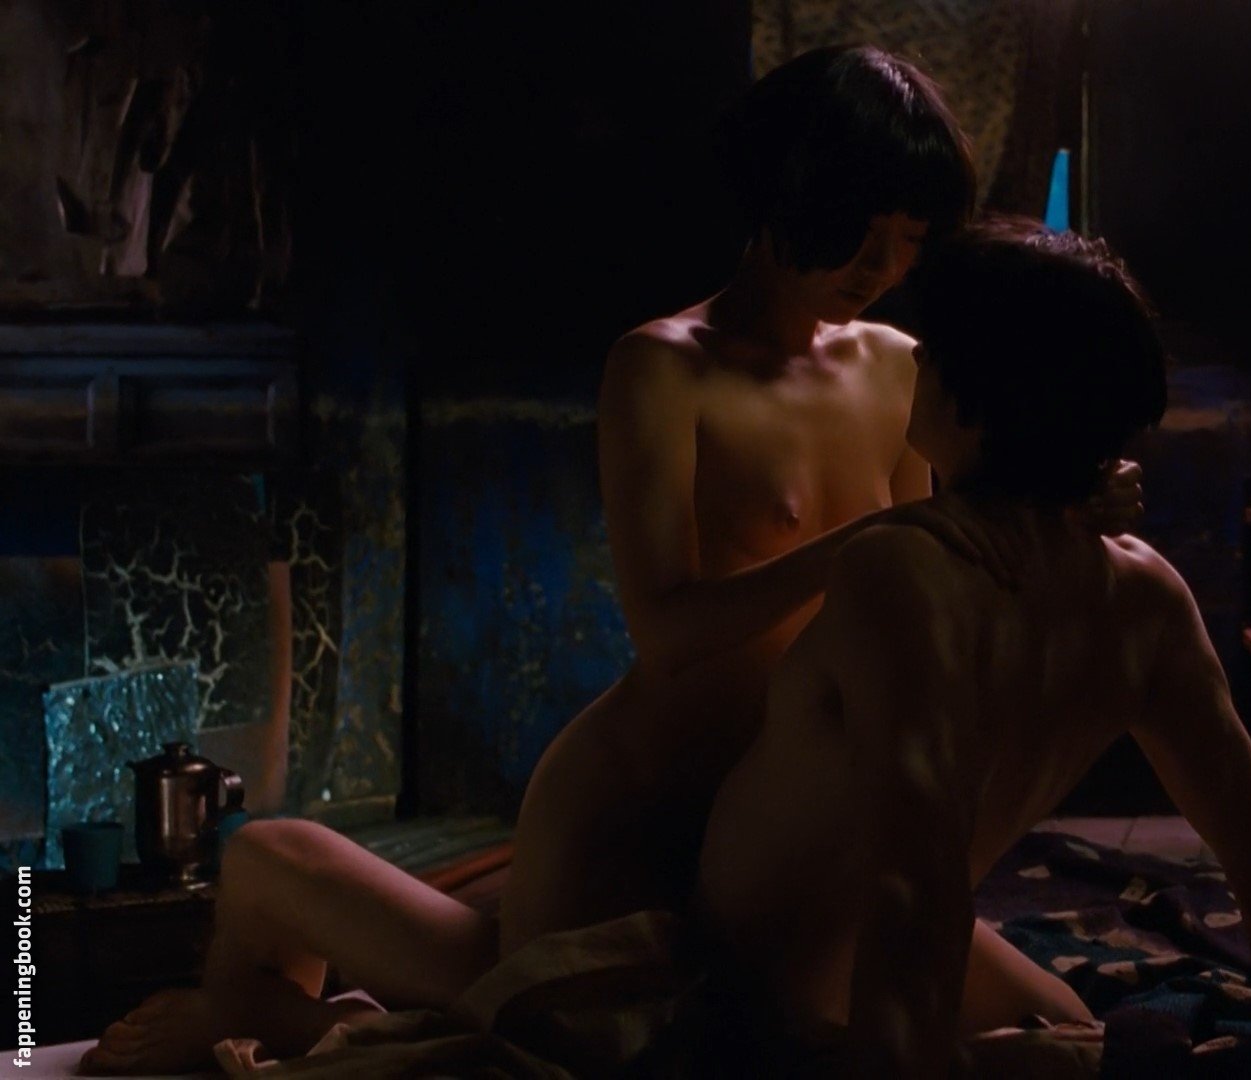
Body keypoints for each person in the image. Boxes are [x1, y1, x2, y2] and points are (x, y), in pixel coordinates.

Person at [79, 45, 1139, 1075]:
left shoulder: (900, 367)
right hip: (639, 810)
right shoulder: (664, 368)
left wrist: (1064, 507)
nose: (883, 269)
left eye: (908, 241)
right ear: (788, 198)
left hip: (790, 819)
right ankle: (255, 985)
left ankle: (309, 961)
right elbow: (668, 630)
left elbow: (937, 581)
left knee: (1061, 1028)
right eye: (861, 234)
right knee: (548, 1035)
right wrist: (878, 538)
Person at [696, 218, 1251, 1077]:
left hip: (759, 979)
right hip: (820, 955)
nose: (915, 360)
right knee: (1077, 1039)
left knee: (1074, 1044)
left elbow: (914, 891)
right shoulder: (1145, 593)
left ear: (969, 398)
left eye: (934, 351)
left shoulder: (905, 573)